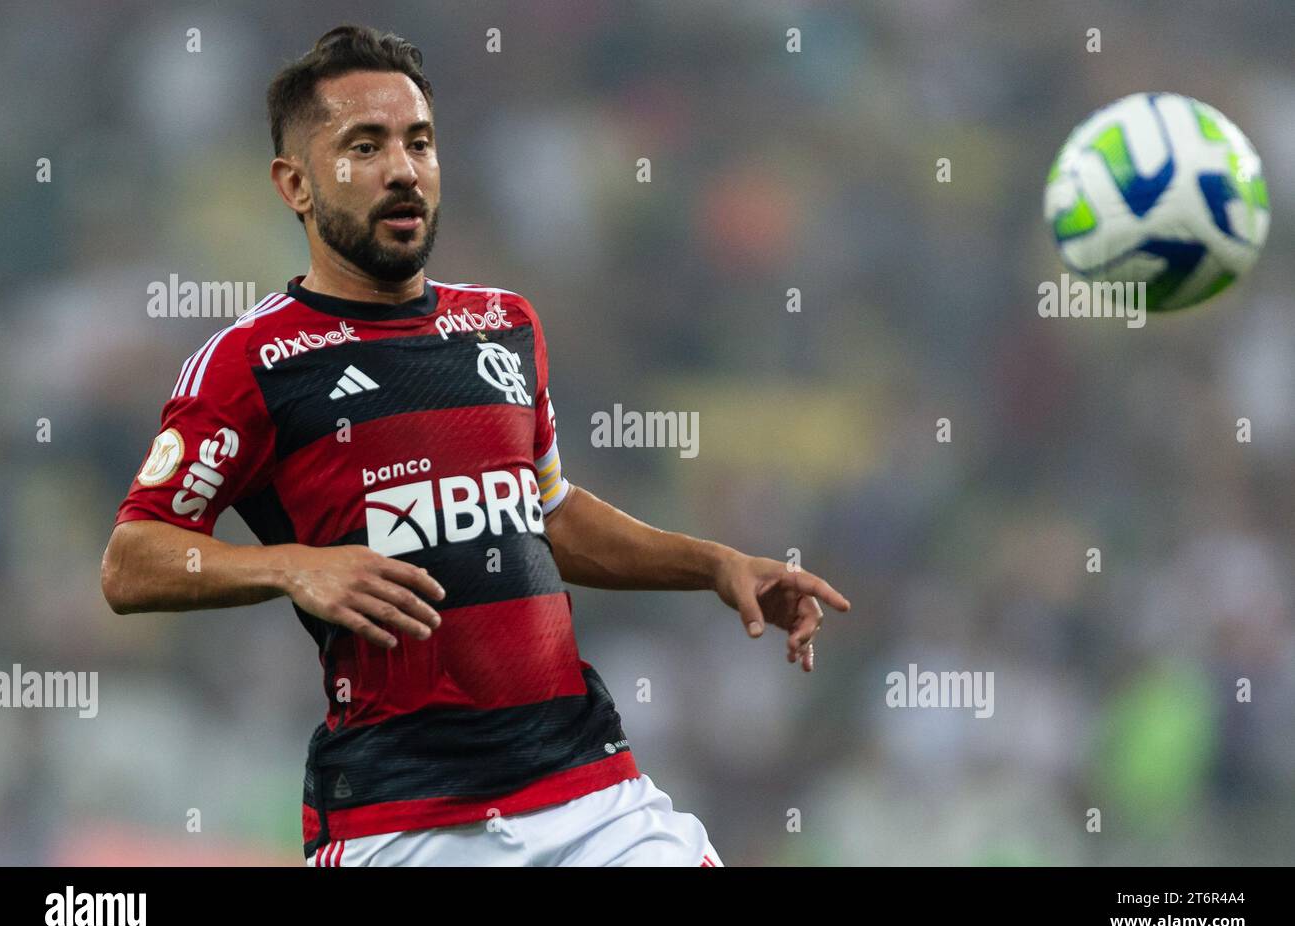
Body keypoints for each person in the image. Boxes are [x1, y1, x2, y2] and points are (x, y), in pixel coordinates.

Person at [100, 24, 850, 867]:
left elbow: (551, 515)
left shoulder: (503, 324)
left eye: (419, 141)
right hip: (405, 817)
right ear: (295, 185)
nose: (402, 168)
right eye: (365, 145)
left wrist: (713, 564)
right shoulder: (251, 363)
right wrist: (290, 566)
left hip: (590, 793)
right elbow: (132, 561)